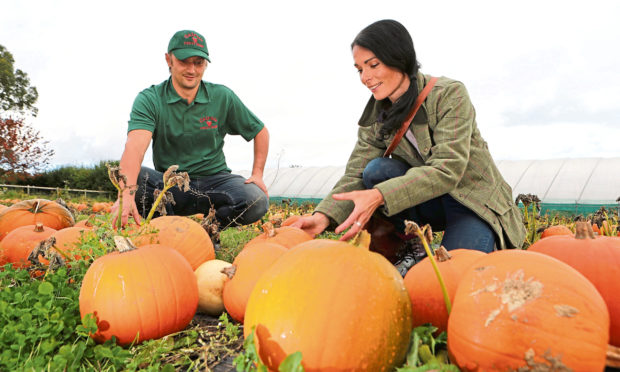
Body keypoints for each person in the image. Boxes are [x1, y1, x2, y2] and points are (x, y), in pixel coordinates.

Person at [291, 20, 526, 275]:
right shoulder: (377, 114)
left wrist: (380, 195)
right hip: (430, 200)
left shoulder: (449, 94)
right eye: (359, 69)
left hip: (470, 200)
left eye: (373, 65)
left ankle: (481, 235)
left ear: (399, 58)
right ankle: (413, 247)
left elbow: (448, 167)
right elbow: (356, 174)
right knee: (376, 170)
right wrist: (322, 217)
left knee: (455, 277)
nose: (365, 78)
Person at [112, 29, 269, 232]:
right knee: (137, 179)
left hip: (215, 181)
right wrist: (127, 193)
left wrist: (257, 173)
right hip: (170, 185)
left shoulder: (222, 96)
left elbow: (260, 131)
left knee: (256, 198)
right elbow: (135, 147)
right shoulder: (150, 99)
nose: (192, 70)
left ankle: (209, 231)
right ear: (169, 60)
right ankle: (166, 231)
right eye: (184, 61)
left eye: (198, 63)